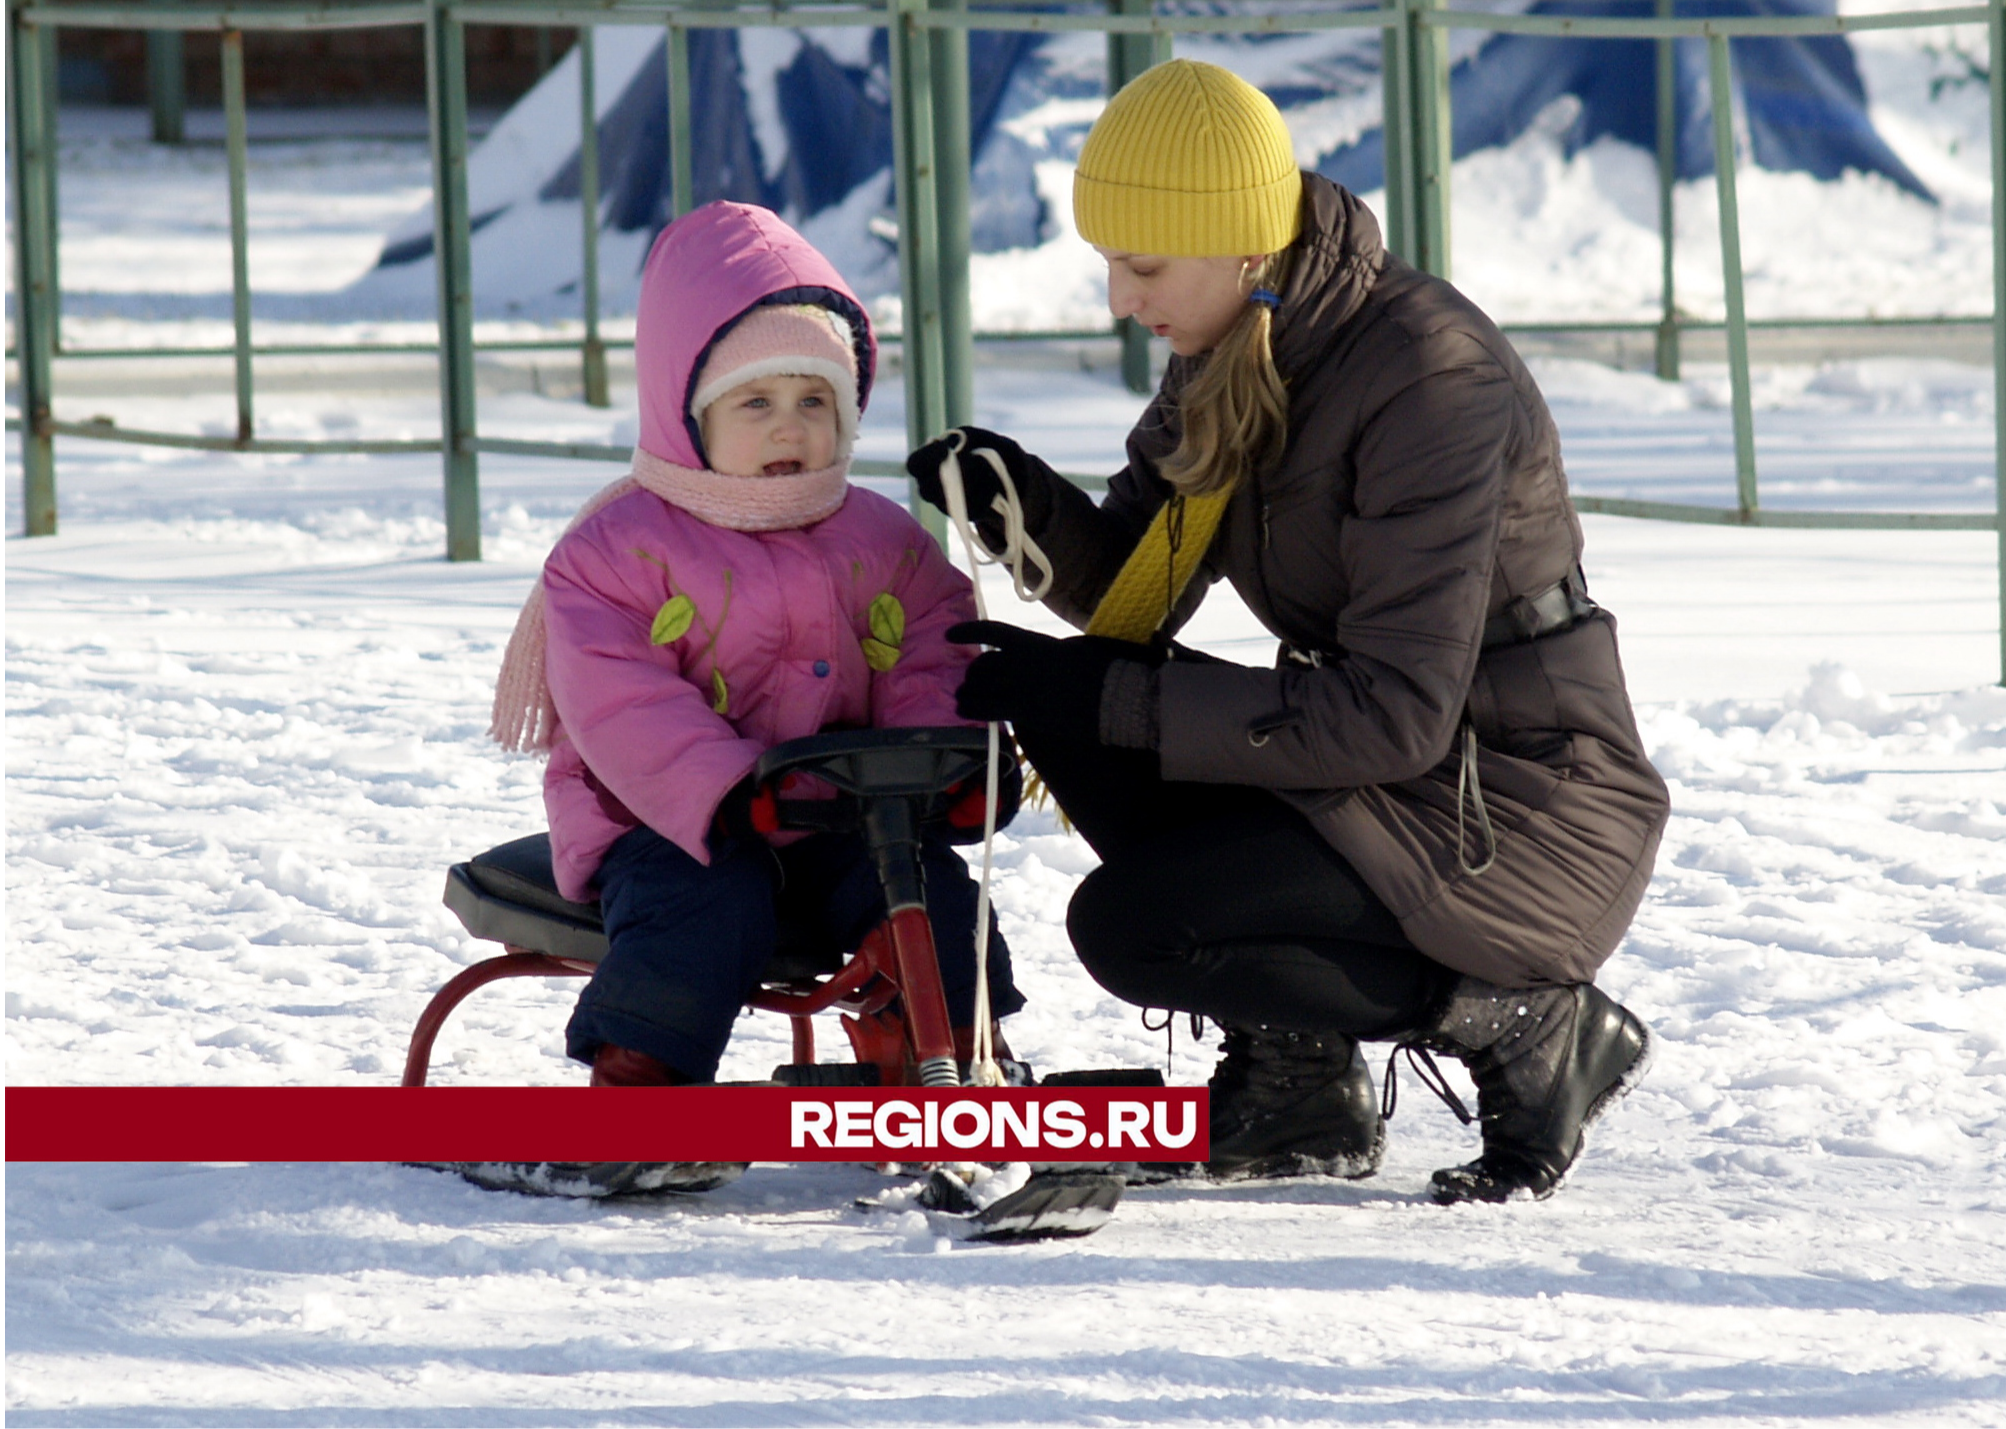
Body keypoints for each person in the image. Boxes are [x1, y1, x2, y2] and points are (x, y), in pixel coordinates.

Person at [908, 60, 1669, 1204]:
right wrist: (1025, 511)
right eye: (1111, 263)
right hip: (1387, 772)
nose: (1121, 297)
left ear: (1240, 246)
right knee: (1078, 699)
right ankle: (1296, 1083)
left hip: (1517, 803)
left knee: (1130, 924)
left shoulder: (1426, 377)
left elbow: (1394, 713)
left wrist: (1101, 695)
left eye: (1143, 265)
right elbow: (1138, 594)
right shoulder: (1231, 353)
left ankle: (1526, 1024)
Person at [491, 199, 1023, 1103]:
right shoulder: (616, 552)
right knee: (707, 905)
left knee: (928, 893)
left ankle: (944, 1056)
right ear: (688, 417)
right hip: (665, 822)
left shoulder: (882, 538)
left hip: (854, 817)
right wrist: (733, 790)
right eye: (757, 402)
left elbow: (934, 648)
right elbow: (623, 704)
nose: (791, 427)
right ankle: (642, 1079)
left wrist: (942, 758)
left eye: (816, 400)